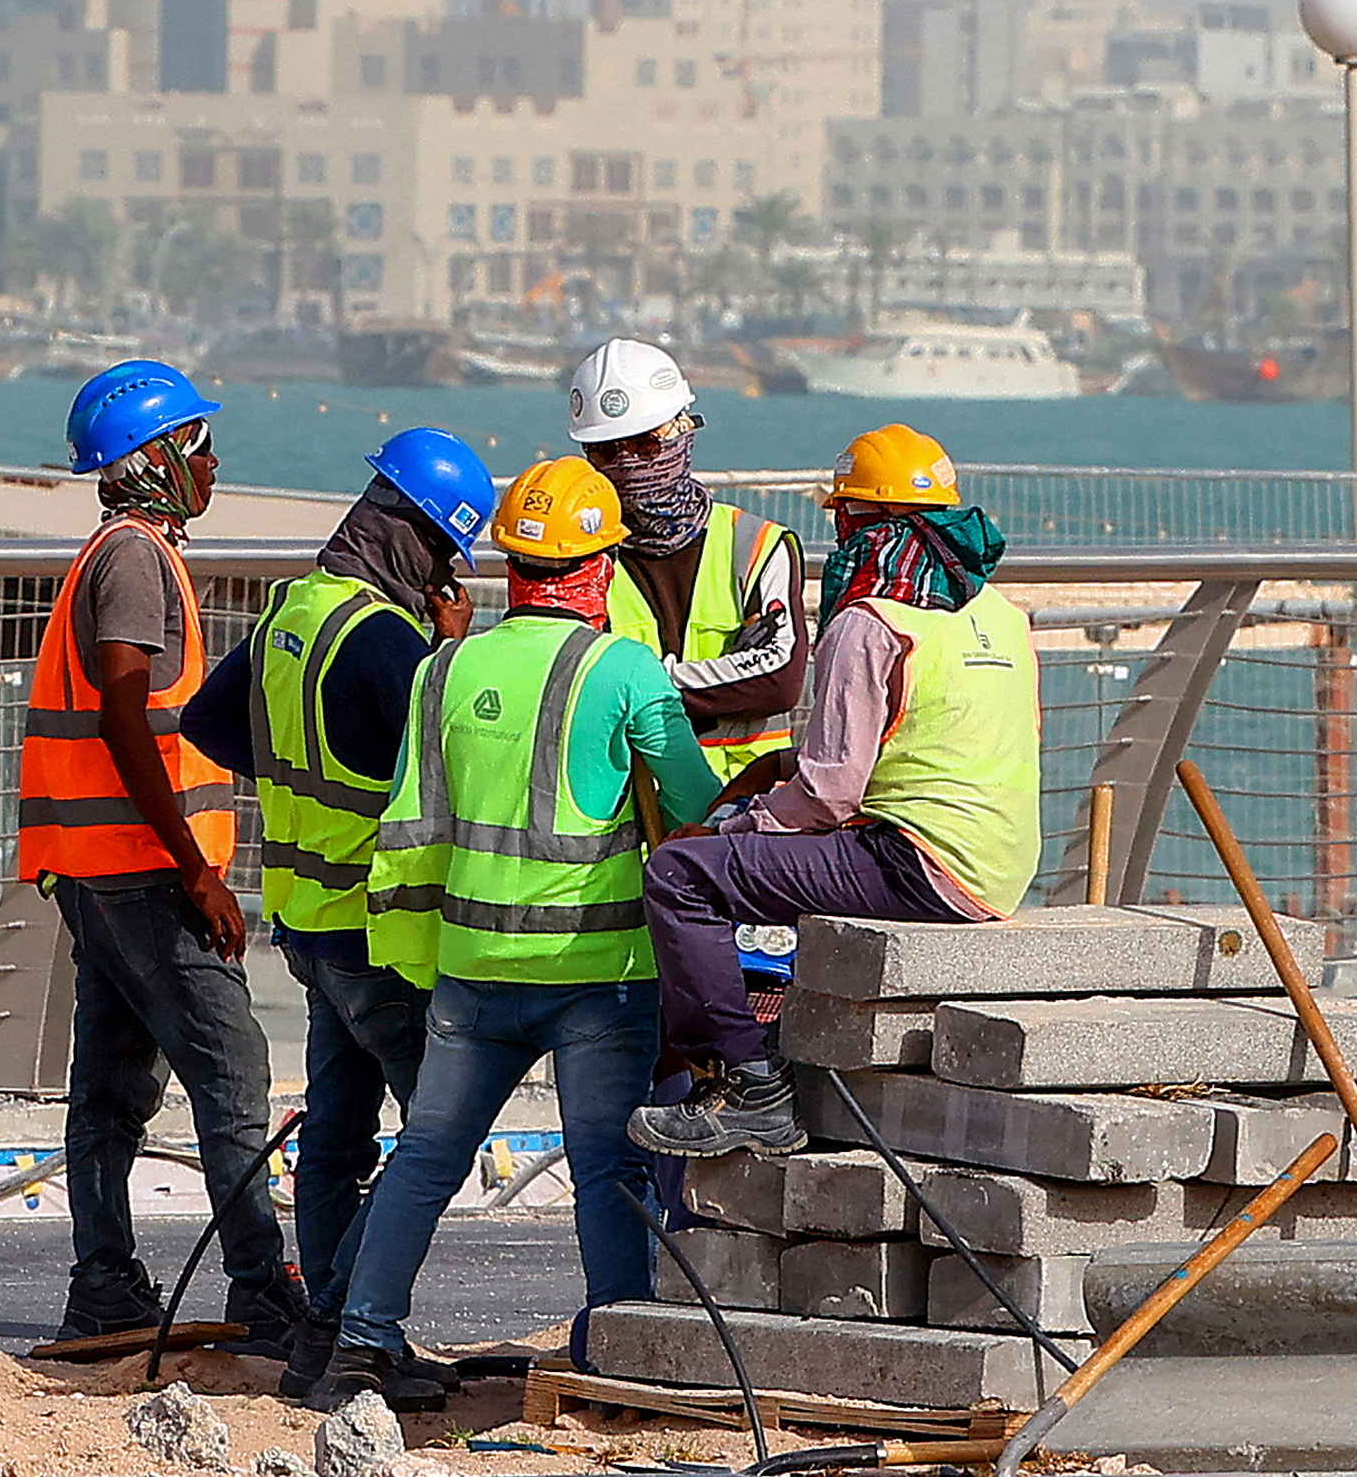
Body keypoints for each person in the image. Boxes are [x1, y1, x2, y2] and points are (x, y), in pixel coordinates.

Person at [317, 459, 723, 1413]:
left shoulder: (445, 667)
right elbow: (699, 806)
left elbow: (410, 827)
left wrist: (421, 966)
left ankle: (361, 1343)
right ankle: (620, 1345)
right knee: (605, 1167)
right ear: (595, 570)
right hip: (598, 970)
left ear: (511, 567)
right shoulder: (620, 667)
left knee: (424, 1156)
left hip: (469, 968)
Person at [185, 426, 495, 1402]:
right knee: (439, 1137)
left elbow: (204, 720)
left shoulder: (293, 610)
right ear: (417, 538)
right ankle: (346, 1330)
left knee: (335, 1137)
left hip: (307, 927)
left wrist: (294, 775)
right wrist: (448, 653)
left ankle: (329, 1338)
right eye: (449, 553)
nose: (451, 576)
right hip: (381, 930)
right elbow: (458, 762)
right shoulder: (386, 640)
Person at [627, 425, 1036, 1161]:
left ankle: (750, 1082)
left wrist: (729, 828)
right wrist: (780, 768)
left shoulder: (868, 618)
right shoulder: (1002, 613)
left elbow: (826, 797)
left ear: (856, 520)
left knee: (679, 878)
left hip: (916, 865)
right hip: (1000, 866)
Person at [17, 359, 306, 1347]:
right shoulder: (136, 559)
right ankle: (262, 1281)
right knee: (232, 1066)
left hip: (91, 868)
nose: (213, 463)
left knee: (108, 1082)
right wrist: (192, 865)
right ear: (158, 458)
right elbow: (125, 707)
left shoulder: (112, 551)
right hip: (145, 870)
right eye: (198, 445)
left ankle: (104, 1281)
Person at [565, 340, 809, 779]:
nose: (627, 464)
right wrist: (727, 676)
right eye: (605, 451)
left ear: (684, 432)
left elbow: (779, 682)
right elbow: (574, 687)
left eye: (644, 444)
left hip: (742, 812)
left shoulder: (755, 546)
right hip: (625, 813)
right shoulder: (581, 557)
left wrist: (640, 686)